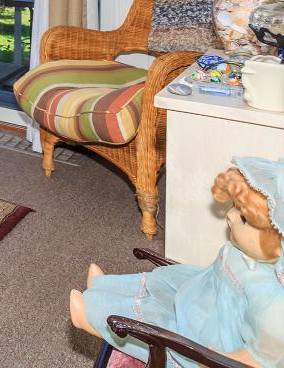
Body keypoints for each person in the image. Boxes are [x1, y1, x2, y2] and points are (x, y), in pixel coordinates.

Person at [69, 157, 284, 367]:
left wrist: (213, 356)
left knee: (158, 322)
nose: (230, 216)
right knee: (160, 282)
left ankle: (90, 317)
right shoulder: (246, 251)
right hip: (203, 295)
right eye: (235, 207)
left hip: (209, 332)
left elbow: (256, 360)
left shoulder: (274, 306)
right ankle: (101, 287)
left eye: (243, 218)